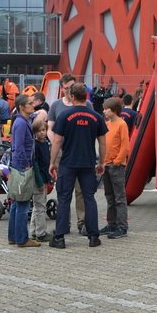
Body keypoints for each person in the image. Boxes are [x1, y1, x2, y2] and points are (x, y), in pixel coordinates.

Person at [49, 83, 107, 249]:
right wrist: (102, 162)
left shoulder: (65, 116)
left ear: (72, 97)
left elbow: (57, 141)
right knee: (89, 198)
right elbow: (102, 142)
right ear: (86, 97)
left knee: (64, 198)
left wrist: (52, 162)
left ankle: (59, 238)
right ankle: (93, 237)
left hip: (68, 163)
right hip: (88, 163)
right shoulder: (96, 117)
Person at [8, 95, 40, 248]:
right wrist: (26, 164)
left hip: (18, 165)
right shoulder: (21, 123)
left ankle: (13, 236)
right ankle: (22, 238)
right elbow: (19, 147)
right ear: (22, 106)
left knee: (16, 202)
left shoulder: (22, 120)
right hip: (22, 167)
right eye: (29, 103)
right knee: (22, 203)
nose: (32, 105)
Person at [100, 97, 131, 239]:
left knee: (119, 197)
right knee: (110, 196)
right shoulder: (107, 124)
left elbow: (125, 145)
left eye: (107, 109)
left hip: (116, 165)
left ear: (114, 110)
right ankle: (112, 223)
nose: (104, 111)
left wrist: (118, 161)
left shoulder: (121, 124)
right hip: (107, 164)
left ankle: (122, 226)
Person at [30, 118, 52, 242]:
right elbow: (36, 165)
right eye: (39, 131)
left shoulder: (45, 143)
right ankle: (41, 233)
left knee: (37, 205)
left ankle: (33, 231)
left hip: (44, 177)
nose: (42, 133)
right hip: (39, 179)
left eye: (44, 130)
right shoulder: (36, 146)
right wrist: (39, 182)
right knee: (40, 207)